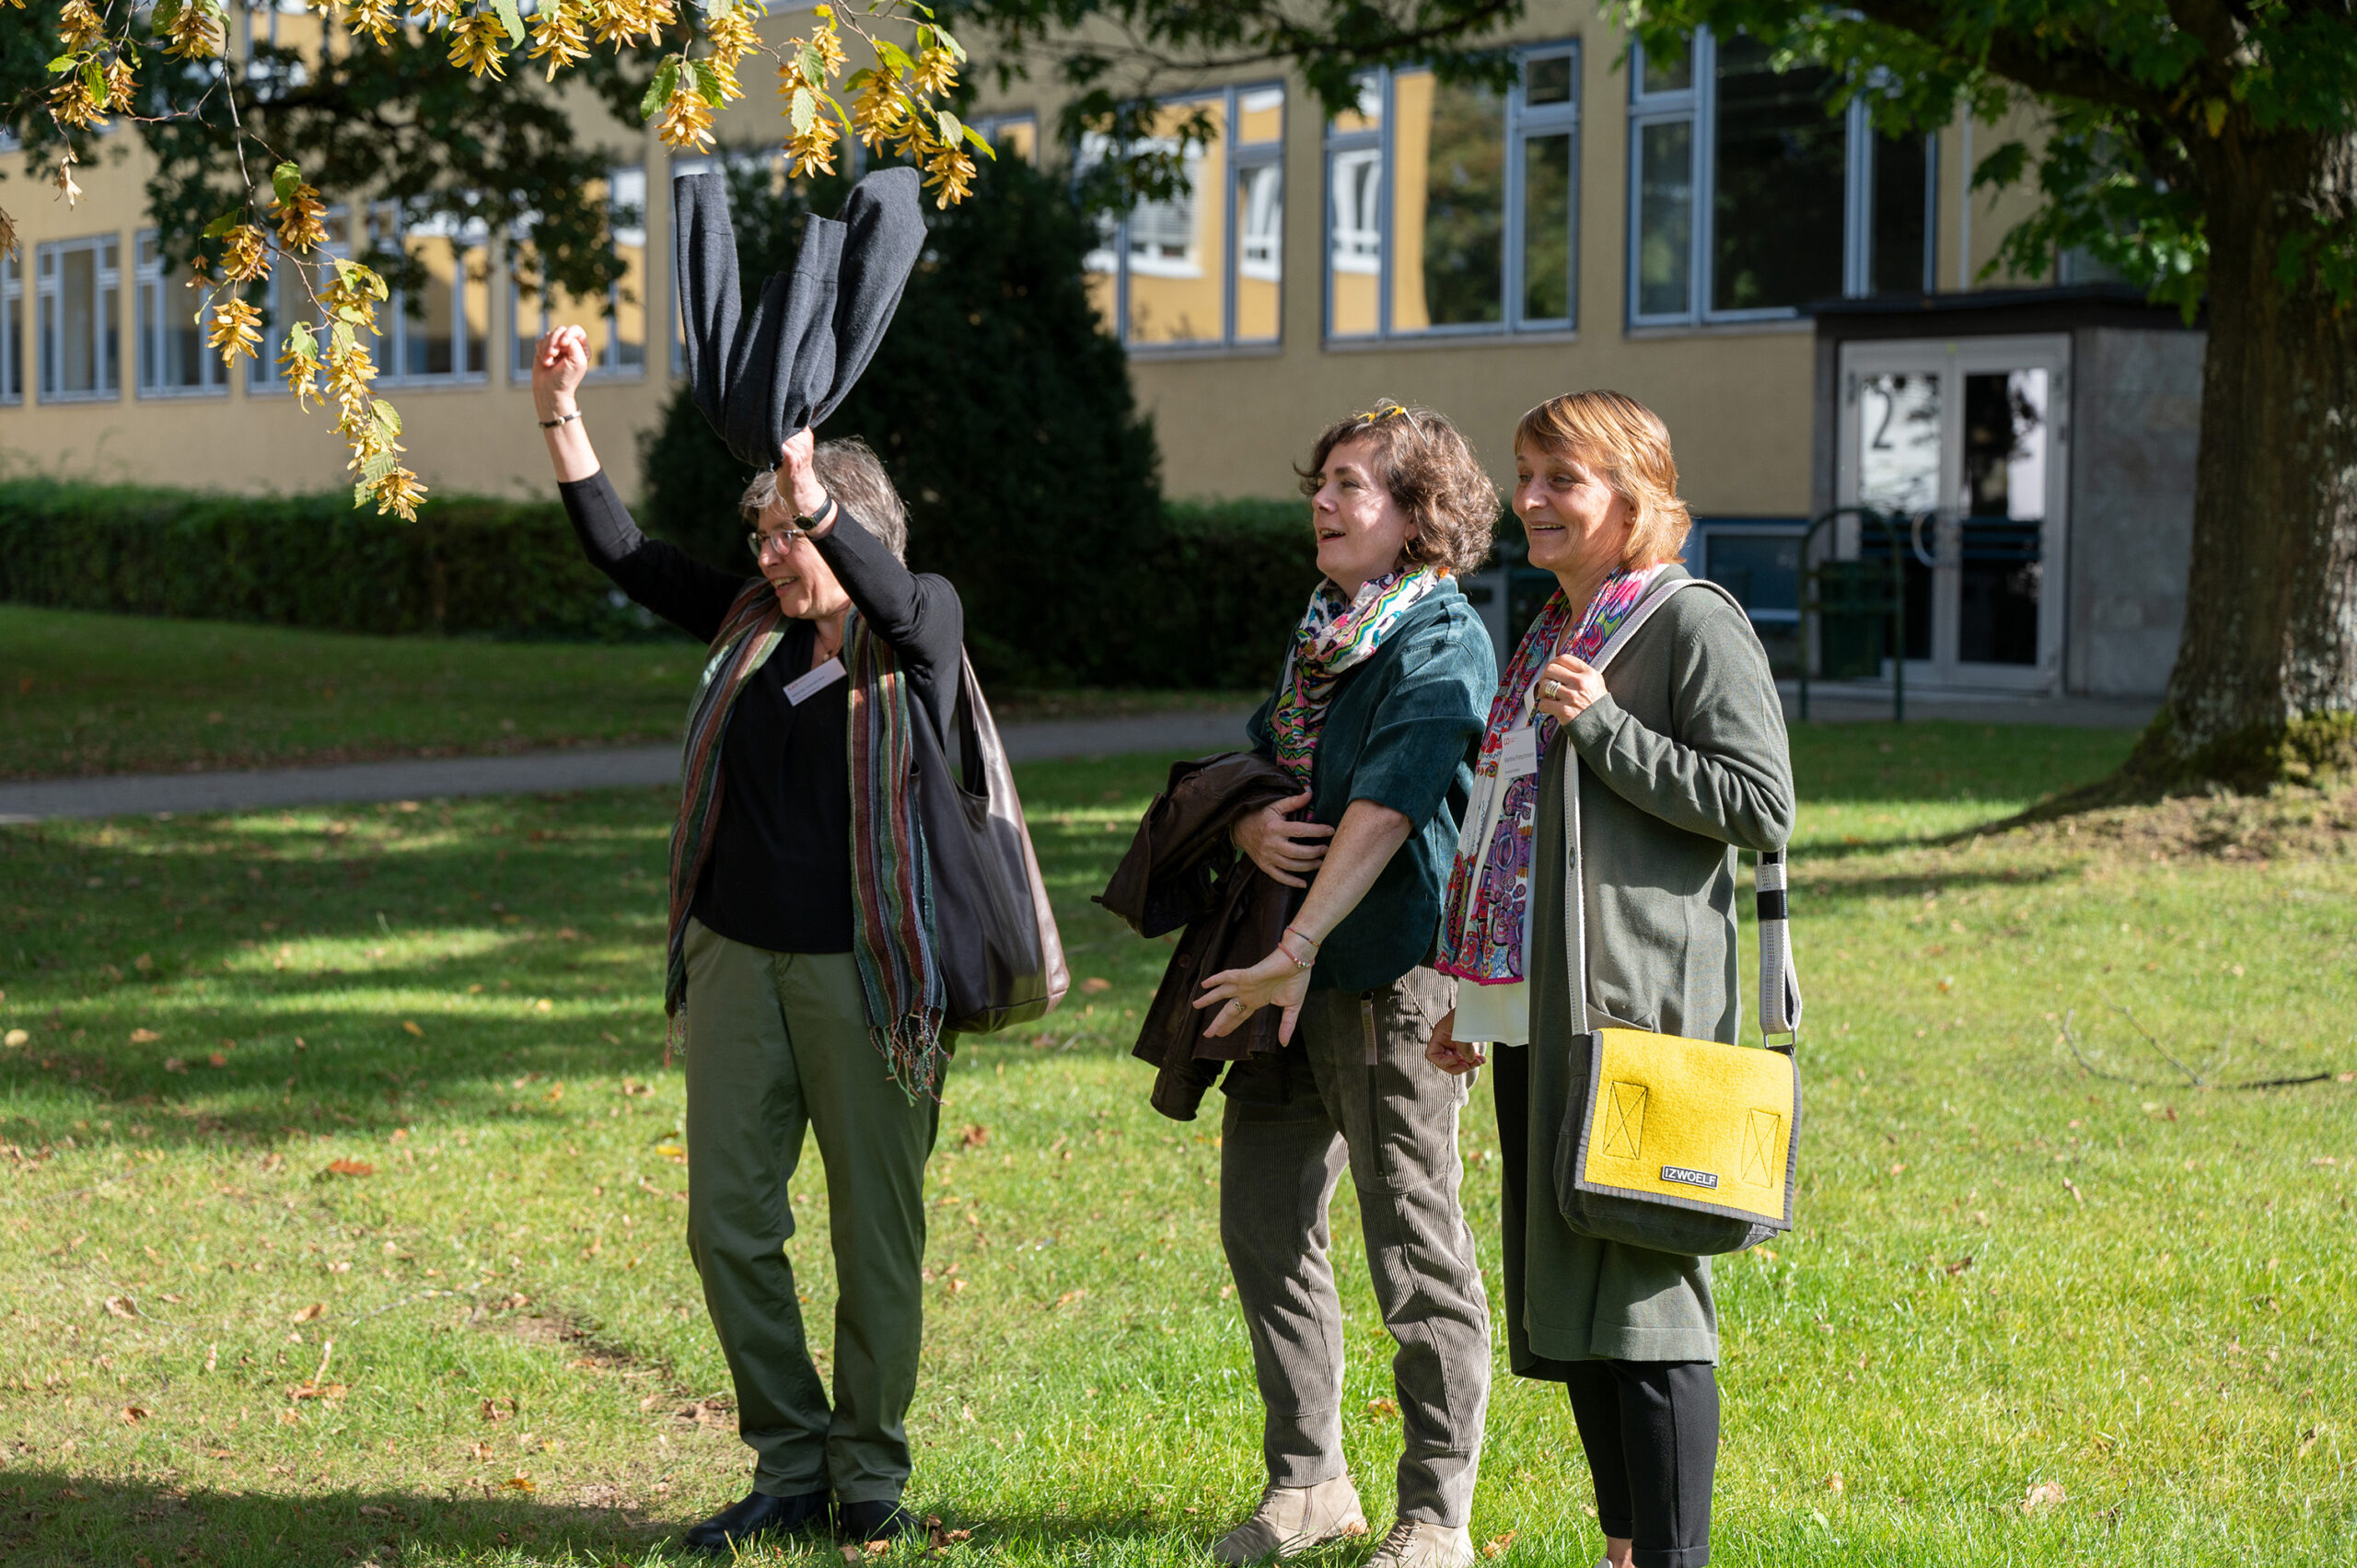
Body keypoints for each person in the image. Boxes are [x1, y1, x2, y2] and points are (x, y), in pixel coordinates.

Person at [530, 324, 962, 1555]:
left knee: (876, 1235)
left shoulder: (918, 624)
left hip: (871, 973)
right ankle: (789, 1459)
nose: (771, 551)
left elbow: (890, 592)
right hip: (733, 959)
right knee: (728, 1219)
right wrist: (562, 411)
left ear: (848, 520)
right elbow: (620, 547)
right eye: (763, 532)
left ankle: (869, 1471)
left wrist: (814, 493)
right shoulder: (746, 623)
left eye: (791, 529)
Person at [1426, 390, 1794, 1568]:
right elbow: (1505, 822)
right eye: (1525, 474)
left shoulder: (1688, 624)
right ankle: (1626, 1545)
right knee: (1567, 1296)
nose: (1529, 498)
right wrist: (1471, 992)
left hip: (1633, 1006)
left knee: (1640, 1291)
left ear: (1631, 497)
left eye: (1560, 479)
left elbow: (1760, 802)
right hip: (1541, 999)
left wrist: (1605, 730)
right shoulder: (1549, 629)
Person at [1192, 401, 1500, 1568]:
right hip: (1289, 977)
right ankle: (1311, 1478)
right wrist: (1254, 816)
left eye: (1352, 485)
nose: (1322, 502)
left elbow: (1387, 804)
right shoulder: (1322, 631)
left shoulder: (1440, 641)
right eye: (1319, 482)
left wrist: (1303, 939)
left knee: (1414, 1247)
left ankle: (1438, 1513)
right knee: (1263, 1223)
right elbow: (1274, 754)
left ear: (1419, 517)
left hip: (1384, 980)